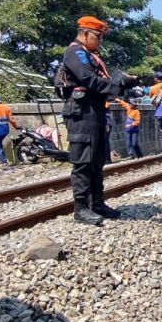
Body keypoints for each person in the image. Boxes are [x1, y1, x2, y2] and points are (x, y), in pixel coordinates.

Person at [60, 16, 135, 225]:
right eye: (98, 36)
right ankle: (81, 208)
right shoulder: (76, 53)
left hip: (96, 112)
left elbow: (102, 81)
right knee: (84, 161)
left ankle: (98, 203)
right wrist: (116, 86)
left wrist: (124, 84)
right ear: (85, 33)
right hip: (82, 114)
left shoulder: (91, 55)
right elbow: (89, 79)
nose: (100, 41)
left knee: (97, 161)